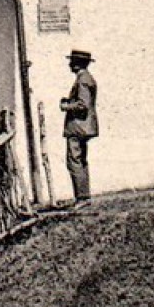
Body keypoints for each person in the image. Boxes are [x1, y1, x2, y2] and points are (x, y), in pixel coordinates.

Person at [58, 50, 99, 207]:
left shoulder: (82, 80)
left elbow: (82, 105)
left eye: (72, 62)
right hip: (84, 127)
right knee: (80, 160)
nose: (69, 65)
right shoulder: (86, 78)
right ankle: (84, 196)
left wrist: (66, 106)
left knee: (74, 161)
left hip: (78, 127)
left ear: (77, 64)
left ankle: (82, 198)